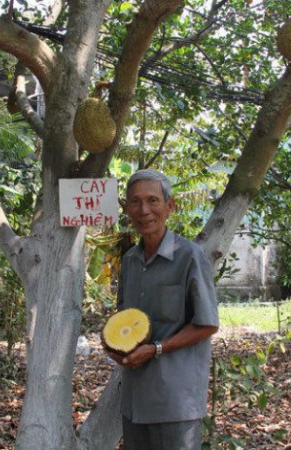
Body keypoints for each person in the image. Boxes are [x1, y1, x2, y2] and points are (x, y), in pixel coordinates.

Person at [106, 169, 220, 450]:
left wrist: (156, 348)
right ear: (126, 208)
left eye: (152, 200)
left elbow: (207, 324)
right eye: (135, 202)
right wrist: (114, 346)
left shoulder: (190, 256)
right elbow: (124, 318)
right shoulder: (130, 260)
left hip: (175, 401)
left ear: (169, 207)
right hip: (135, 399)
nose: (143, 210)